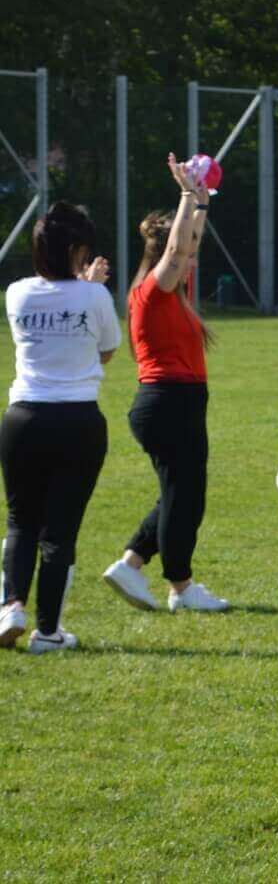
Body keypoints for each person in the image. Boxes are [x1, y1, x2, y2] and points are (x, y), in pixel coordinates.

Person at [102, 155, 230, 615]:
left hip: (176, 402)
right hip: (168, 403)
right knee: (185, 497)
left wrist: (201, 202)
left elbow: (187, 241)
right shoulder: (152, 292)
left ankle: (131, 563)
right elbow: (177, 250)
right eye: (187, 253)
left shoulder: (175, 294)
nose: (193, 258)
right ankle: (181, 585)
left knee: (180, 494)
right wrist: (184, 196)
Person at [0, 204, 118, 653]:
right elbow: (106, 351)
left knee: (20, 521)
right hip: (77, 420)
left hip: (23, 418)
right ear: (76, 250)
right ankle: (48, 632)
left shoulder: (16, 293)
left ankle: (11, 606)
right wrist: (90, 287)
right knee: (60, 531)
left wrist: (83, 287)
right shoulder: (95, 297)